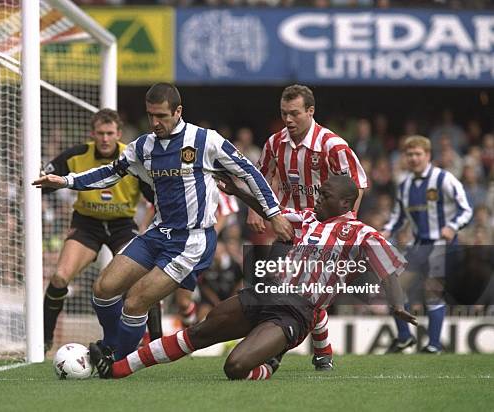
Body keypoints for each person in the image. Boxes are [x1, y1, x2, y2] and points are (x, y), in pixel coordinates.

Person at [33, 83, 293, 363]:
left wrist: (274, 214)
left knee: (135, 301)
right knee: (104, 288)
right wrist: (66, 181)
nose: (155, 123)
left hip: (192, 240)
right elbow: (111, 173)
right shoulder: (143, 146)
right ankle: (111, 346)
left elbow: (251, 173)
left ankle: (118, 359)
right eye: (150, 116)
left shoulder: (206, 140)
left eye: (161, 116)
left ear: (178, 111)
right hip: (159, 233)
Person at [89, 175, 416, 380]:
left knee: (234, 367)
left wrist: (398, 305)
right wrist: (237, 191)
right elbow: (269, 207)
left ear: (345, 202)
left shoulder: (362, 233)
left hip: (296, 312)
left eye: (324, 195)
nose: (316, 199)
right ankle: (119, 369)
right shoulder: (306, 220)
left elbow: (388, 269)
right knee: (200, 331)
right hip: (266, 292)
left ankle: (269, 363)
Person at [247, 84, 368, 371]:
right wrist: (255, 210)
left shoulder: (333, 145)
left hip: (323, 230)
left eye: (294, 114)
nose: (288, 120)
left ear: (310, 111)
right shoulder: (275, 143)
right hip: (289, 226)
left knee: (307, 295)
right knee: (280, 289)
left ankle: (300, 352)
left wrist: (343, 229)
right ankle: (313, 351)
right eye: (283, 113)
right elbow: (261, 179)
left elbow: (356, 186)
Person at [40, 109, 153, 352]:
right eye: (100, 133)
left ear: (118, 134)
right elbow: (47, 179)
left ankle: (153, 341)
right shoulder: (76, 155)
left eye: (109, 133)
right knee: (60, 276)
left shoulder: (132, 157)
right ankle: (44, 340)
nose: (104, 138)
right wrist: (36, 181)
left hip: (122, 226)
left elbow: (154, 196)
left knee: (143, 278)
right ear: (92, 134)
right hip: (86, 224)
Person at [382, 135, 472, 354]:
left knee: (433, 289)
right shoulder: (404, 185)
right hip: (418, 246)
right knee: (394, 287)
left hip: (442, 244)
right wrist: (386, 230)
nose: (413, 158)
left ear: (428, 155)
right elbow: (398, 217)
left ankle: (433, 345)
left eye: (417, 154)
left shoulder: (444, 179)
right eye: (409, 154)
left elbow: (466, 210)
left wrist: (452, 226)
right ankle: (404, 337)